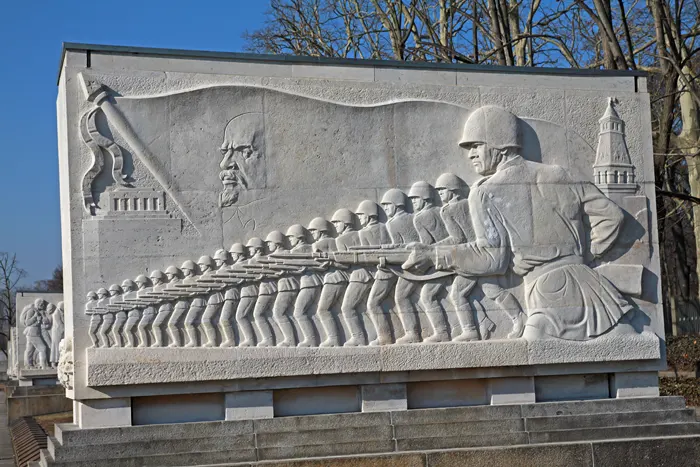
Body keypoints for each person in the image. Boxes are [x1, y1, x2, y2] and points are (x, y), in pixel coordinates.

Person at [404, 105, 631, 341]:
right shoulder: (558, 174)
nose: (470, 154)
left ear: (500, 143)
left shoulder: (486, 192)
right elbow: (612, 216)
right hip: (594, 288)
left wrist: (435, 255)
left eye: (476, 145)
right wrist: (588, 255)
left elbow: (492, 259)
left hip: (549, 295)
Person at [409, 181, 451, 343]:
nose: (412, 202)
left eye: (415, 198)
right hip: (450, 256)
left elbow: (426, 244)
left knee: (427, 296)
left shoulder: (420, 218)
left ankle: (442, 333)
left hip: (440, 260)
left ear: (425, 198)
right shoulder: (440, 210)